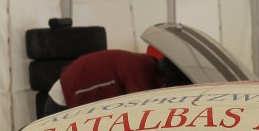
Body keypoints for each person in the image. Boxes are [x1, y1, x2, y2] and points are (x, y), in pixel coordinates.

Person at [46, 46, 177, 111]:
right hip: (64, 98)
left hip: (68, 83)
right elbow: (139, 108)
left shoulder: (145, 62)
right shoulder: (139, 72)